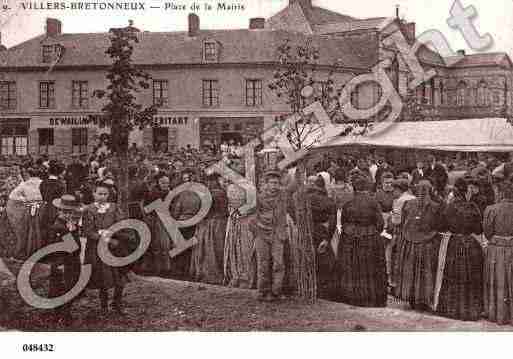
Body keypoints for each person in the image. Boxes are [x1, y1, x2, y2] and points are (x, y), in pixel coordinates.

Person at [335, 173, 387, 307]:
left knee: (352, 267)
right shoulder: (373, 202)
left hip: (350, 238)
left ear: (354, 188)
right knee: (369, 268)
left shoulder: (348, 203)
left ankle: (352, 296)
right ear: (367, 187)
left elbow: (343, 222)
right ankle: (370, 297)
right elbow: (380, 224)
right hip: (369, 238)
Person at [436, 177, 484, 321]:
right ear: (467, 191)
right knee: (470, 276)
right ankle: (470, 310)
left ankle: (452, 309)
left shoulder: (449, 206)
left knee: (453, 275)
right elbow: (479, 229)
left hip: (454, 243)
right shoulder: (472, 207)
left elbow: (441, 226)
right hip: (469, 244)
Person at [393, 180, 443, 311]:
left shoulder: (408, 204)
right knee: (424, 272)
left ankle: (410, 297)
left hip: (410, 243)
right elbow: (439, 225)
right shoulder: (436, 206)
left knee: (410, 270)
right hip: (427, 244)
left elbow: (402, 222)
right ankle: (423, 300)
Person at [83, 181, 129, 315]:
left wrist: (115, 234)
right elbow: (88, 231)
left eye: (105, 194)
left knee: (120, 275)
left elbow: (120, 224)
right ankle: (104, 306)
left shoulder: (114, 207)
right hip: (97, 248)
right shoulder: (89, 210)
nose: (102, 196)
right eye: (99, 194)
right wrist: (105, 237)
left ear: (109, 195)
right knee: (103, 277)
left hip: (114, 246)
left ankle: (117, 302)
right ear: (94, 194)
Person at [254, 170, 292, 302]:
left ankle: (277, 290)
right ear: (267, 184)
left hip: (278, 233)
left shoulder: (283, 196)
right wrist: (259, 228)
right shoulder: (259, 198)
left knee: (278, 263)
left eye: (277, 183)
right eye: (272, 183)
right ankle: (263, 292)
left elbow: (294, 185)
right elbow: (252, 216)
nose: (275, 186)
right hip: (262, 233)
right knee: (263, 263)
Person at [47, 194, 84, 325]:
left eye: (70, 212)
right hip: (62, 263)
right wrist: (73, 232)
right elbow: (69, 248)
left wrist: (73, 230)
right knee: (62, 289)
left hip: (71, 262)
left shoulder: (68, 225)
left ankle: (63, 314)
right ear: (59, 211)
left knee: (67, 288)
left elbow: (75, 248)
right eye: (65, 212)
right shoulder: (59, 227)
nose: (68, 214)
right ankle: (62, 316)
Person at [483, 180, 513, 325]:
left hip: (496, 251)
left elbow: (487, 233)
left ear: (500, 193)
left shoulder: (491, 209)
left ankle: (497, 313)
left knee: (498, 282)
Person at [190, 173, 228, 285]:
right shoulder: (223, 192)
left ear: (211, 182)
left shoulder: (210, 194)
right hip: (222, 223)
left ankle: (211, 274)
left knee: (209, 249)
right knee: (219, 249)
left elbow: (203, 211)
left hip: (211, 224)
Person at [224, 168, 257, 289]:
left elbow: (254, 204)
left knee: (245, 249)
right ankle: (235, 275)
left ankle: (246, 277)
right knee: (233, 248)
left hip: (246, 222)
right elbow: (229, 204)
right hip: (233, 221)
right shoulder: (230, 187)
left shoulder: (250, 188)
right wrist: (233, 213)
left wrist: (241, 212)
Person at [307, 175, 337, 300]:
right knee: (325, 262)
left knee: (309, 260)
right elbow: (333, 222)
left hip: (307, 231)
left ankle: (309, 287)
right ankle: (323, 291)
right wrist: (327, 239)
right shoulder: (329, 201)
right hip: (322, 232)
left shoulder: (306, 199)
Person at [169, 168, 202, 280]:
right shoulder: (199, 194)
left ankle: (179, 271)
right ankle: (187, 270)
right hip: (195, 223)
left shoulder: (182, 195)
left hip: (183, 222)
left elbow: (176, 211)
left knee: (180, 247)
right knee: (190, 249)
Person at [7, 166, 44, 260]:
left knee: (28, 231)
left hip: (29, 208)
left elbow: (12, 196)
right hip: (41, 208)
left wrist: (25, 200)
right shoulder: (43, 183)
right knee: (39, 231)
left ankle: (26, 252)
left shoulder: (24, 184)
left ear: (29, 174)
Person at [142, 173, 172, 274]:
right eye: (163, 183)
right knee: (157, 244)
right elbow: (147, 208)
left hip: (165, 219)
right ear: (158, 183)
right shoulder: (153, 193)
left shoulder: (168, 192)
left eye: (167, 183)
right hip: (155, 220)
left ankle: (165, 268)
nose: (165, 185)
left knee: (165, 245)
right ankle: (158, 268)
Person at [388, 178, 415, 288]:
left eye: (394, 189)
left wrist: (391, 217)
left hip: (400, 233)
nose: (393, 192)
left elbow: (396, 221)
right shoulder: (414, 198)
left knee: (396, 257)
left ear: (399, 189)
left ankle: (395, 284)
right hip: (411, 233)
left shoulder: (400, 200)